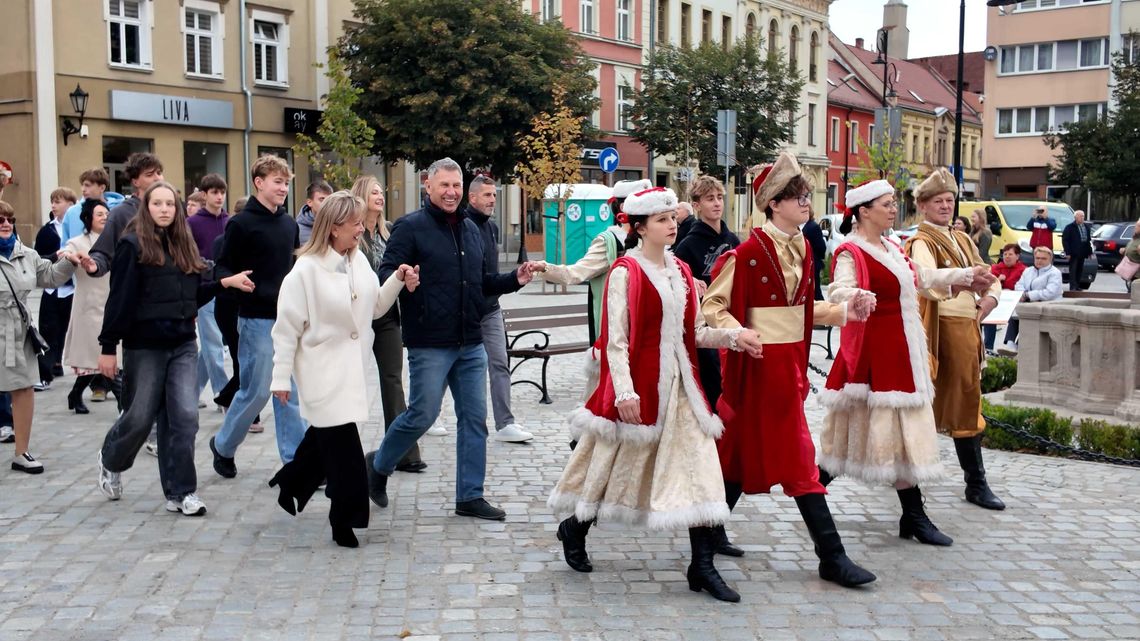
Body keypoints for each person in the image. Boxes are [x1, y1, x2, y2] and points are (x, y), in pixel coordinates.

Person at [547, 186, 763, 603]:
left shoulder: (681, 271)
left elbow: (695, 333)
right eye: (662, 220)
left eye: (672, 217)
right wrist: (624, 392)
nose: (672, 224)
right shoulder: (625, 272)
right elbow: (616, 341)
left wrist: (735, 337)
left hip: (683, 388)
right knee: (615, 467)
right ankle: (575, 526)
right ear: (640, 227)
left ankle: (701, 566)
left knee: (701, 468)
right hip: (640, 388)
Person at [702, 152, 877, 588]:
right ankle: (831, 557)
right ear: (773, 203)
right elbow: (713, 307)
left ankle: (702, 554)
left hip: (787, 370)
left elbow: (800, 312)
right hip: (756, 371)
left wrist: (844, 310)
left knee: (739, 463)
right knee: (794, 463)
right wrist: (737, 332)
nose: (806, 203)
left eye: (807, 196)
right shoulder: (745, 254)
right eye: (797, 196)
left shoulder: (801, 246)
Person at [820, 179, 997, 546]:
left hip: (902, 354)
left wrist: (966, 276)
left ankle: (914, 517)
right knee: (845, 439)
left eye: (892, 203)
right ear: (863, 211)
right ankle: (811, 494)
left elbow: (923, 277)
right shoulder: (851, 251)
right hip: (873, 357)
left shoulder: (892, 246)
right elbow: (838, 288)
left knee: (901, 438)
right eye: (885, 204)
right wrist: (855, 295)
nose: (892, 209)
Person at [364, 158, 541, 522]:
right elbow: (386, 272)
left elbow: (484, 282)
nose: (451, 192)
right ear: (428, 185)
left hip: (470, 340)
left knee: (475, 418)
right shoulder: (409, 228)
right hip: (429, 340)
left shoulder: (472, 229)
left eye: (456, 186)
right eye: (443, 185)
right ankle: (378, 466)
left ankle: (469, 496)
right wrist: (403, 277)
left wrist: (515, 279)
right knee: (421, 415)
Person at [268, 191, 418, 548]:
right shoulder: (304, 271)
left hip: (351, 368)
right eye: (355, 224)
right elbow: (286, 329)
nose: (361, 230)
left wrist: (397, 278)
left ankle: (291, 482)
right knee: (345, 449)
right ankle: (345, 519)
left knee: (325, 439)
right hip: (319, 369)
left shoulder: (358, 262)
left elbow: (376, 307)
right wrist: (279, 378)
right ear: (334, 228)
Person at [95, 181, 254, 515]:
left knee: (184, 417)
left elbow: (193, 295)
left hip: (182, 343)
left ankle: (181, 492)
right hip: (144, 345)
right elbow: (119, 299)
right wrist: (108, 346)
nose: (165, 209)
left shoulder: (185, 245)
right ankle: (111, 458)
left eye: (171, 204)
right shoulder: (131, 245)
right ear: (147, 208)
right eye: (158, 204)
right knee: (139, 417)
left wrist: (225, 283)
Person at [905, 169, 1006, 512]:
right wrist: (966, 279)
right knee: (927, 406)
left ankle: (975, 484)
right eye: (938, 201)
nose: (946, 207)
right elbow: (925, 279)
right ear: (923, 206)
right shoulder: (922, 241)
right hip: (942, 329)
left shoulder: (963, 239)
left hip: (968, 326)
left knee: (967, 400)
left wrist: (990, 296)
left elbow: (989, 275)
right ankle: (908, 481)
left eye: (950, 201)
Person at [209, 155, 307, 476]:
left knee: (287, 392)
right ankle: (223, 445)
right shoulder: (240, 224)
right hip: (255, 320)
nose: (283, 188)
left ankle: (296, 462)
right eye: (277, 182)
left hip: (288, 321)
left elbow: (294, 271)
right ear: (259, 182)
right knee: (257, 391)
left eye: (286, 182)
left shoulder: (289, 224)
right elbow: (221, 266)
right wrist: (233, 279)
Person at [351, 175, 426, 469]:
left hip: (386, 315)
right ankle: (343, 453)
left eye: (382, 192)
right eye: (374, 192)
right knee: (351, 383)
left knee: (393, 380)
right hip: (356, 318)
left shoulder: (389, 232)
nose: (380, 197)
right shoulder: (353, 235)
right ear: (361, 196)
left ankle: (404, 453)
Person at [1, 200, 81, 473]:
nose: (5, 223)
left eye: (9, 219)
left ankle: (21, 452)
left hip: (18, 329)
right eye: (0, 219)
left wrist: (69, 262)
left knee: (23, 389)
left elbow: (49, 277)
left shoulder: (26, 254)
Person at [539, 179, 651, 345]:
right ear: (623, 208)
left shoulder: (651, 238)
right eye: (645, 202)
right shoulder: (609, 241)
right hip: (619, 331)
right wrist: (543, 268)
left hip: (646, 327)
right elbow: (577, 273)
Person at [466, 174, 535, 443]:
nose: (493, 199)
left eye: (494, 194)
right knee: (451, 365)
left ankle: (505, 423)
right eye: (487, 195)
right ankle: (431, 414)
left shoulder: (492, 228)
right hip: (468, 310)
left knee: (499, 363)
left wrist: (512, 279)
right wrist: (512, 280)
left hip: (491, 308)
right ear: (472, 198)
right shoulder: (464, 226)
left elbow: (490, 276)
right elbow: (479, 278)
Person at [673, 174, 740, 408]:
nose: (717, 203)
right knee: (712, 386)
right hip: (705, 327)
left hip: (732, 320)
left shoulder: (733, 240)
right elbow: (675, 281)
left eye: (720, 197)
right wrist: (691, 281)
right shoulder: (687, 245)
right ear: (697, 205)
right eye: (710, 198)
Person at [62, 199, 120, 414]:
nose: (105, 217)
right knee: (96, 357)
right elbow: (64, 253)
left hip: (111, 304)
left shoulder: (117, 240)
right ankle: (125, 405)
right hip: (88, 306)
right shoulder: (78, 242)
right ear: (88, 218)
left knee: (103, 358)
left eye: (107, 213)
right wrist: (71, 257)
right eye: (99, 214)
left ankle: (75, 394)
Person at [187, 173, 230, 407]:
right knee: (213, 344)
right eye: (214, 192)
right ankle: (224, 396)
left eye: (222, 192)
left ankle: (190, 395)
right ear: (204, 195)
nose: (219, 197)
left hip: (226, 290)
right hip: (204, 291)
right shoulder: (192, 223)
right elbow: (187, 256)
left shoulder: (229, 222)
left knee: (210, 348)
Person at [33, 187, 79, 390]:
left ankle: (58, 362)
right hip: (52, 288)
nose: (54, 205)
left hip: (72, 289)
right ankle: (45, 370)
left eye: (58, 201)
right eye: (52, 201)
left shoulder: (77, 227)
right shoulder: (46, 230)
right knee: (48, 328)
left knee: (67, 329)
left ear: (70, 204)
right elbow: (37, 257)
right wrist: (54, 256)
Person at [997, 246, 1063, 356]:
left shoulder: (1054, 273)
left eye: (1043, 259)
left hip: (1047, 305)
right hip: (1029, 303)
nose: (1039, 261)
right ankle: (1010, 343)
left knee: (1027, 313)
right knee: (1017, 313)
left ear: (1050, 259)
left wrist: (1028, 295)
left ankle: (1017, 345)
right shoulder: (1028, 271)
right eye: (1037, 258)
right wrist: (1022, 294)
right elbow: (1019, 285)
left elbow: (1050, 293)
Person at [61, 167, 124, 243]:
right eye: (82, 185)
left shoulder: (118, 210)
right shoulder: (72, 212)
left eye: (87, 185)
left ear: (102, 188)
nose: (83, 189)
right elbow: (64, 245)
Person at [984, 243, 1027, 350]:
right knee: (990, 314)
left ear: (1017, 256)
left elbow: (1015, 285)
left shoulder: (1023, 269)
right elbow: (988, 284)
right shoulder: (995, 268)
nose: (1007, 257)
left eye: (1010, 254)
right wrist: (998, 280)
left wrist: (1002, 282)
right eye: (1005, 254)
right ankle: (988, 346)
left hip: (1013, 300)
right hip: (997, 298)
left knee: (1017, 316)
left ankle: (1011, 344)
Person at [1062, 209, 1093, 291]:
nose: (1082, 218)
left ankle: (1077, 285)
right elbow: (1065, 240)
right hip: (1073, 252)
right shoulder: (1069, 227)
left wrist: (1090, 252)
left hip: (1083, 252)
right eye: (1081, 216)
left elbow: (1088, 240)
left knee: (1080, 269)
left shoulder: (1086, 227)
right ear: (1075, 217)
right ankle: (1072, 286)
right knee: (1073, 270)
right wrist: (1067, 252)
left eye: (1083, 216)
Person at [296, 181, 333, 245]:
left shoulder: (337, 226)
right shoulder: (296, 230)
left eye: (329, 200)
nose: (327, 203)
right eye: (322, 199)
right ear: (309, 202)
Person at [802, 214, 827, 301]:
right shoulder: (811, 226)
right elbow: (821, 247)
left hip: (811, 262)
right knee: (814, 291)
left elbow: (821, 246)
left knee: (815, 291)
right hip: (810, 262)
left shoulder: (810, 226)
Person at [1120, 220, 1140, 291]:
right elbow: (1131, 247)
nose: (1135, 228)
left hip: (1138, 275)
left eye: (1137, 226)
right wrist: (1124, 250)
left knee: (1135, 295)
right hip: (1131, 272)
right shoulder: (1135, 238)